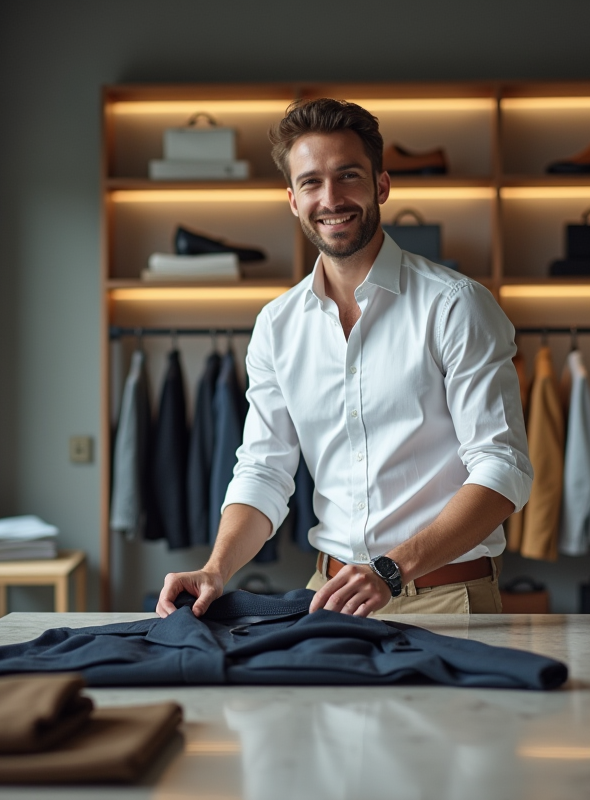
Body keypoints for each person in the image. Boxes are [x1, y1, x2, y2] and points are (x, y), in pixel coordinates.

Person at [156, 99, 532, 619]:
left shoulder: (457, 306)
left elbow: (503, 470)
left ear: (381, 185)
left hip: (444, 598)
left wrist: (390, 569)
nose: (330, 198)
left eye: (347, 175)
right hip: (327, 598)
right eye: (311, 182)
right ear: (293, 199)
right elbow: (264, 471)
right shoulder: (277, 325)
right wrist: (217, 568)